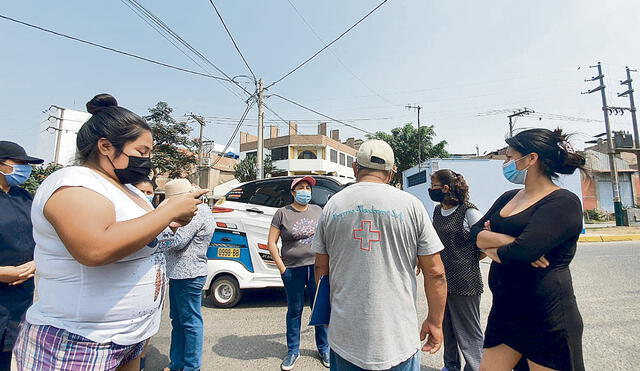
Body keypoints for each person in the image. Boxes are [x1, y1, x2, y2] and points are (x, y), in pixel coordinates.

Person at [12, 103, 207, 371]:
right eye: (141, 151)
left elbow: (142, 236)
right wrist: (168, 211)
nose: (147, 160)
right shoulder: (75, 182)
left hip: (129, 337)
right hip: (80, 340)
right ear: (105, 146)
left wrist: (171, 223)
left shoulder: (132, 191)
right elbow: (95, 249)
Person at [313, 139, 448, 371]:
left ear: (356, 168)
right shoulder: (411, 205)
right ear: (391, 172)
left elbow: (321, 270)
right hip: (399, 338)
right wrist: (435, 322)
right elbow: (435, 272)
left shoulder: (333, 206)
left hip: (346, 336)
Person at [470, 128, 585, 371]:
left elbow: (521, 254)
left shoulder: (562, 202)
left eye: (511, 157)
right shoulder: (508, 197)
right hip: (506, 312)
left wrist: (490, 242)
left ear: (532, 159)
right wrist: (507, 240)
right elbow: (473, 235)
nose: (507, 163)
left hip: (546, 315)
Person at [267, 176, 329, 370]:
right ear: (293, 192)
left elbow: (327, 238)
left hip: (316, 267)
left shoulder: (318, 211)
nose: (305, 191)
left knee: (319, 308)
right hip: (292, 269)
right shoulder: (282, 213)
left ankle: (324, 348)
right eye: (301, 188)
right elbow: (271, 243)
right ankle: (293, 351)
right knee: (294, 311)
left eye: (308, 188)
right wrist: (282, 268)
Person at [428, 169, 484, 371]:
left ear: (445, 188)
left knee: (469, 331)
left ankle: (476, 367)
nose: (430, 189)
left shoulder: (468, 211)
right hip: (442, 279)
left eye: (433, 185)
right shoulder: (437, 210)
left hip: (465, 280)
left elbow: (484, 244)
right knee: (447, 327)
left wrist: (467, 260)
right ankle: (450, 366)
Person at [163, 179, 215, 371]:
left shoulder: (197, 212)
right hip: (179, 273)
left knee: (190, 323)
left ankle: (191, 367)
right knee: (178, 321)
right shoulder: (197, 210)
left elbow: (178, 241)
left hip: (189, 273)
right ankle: (177, 363)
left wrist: (162, 226)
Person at [0, 141, 43, 371]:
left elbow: (42, 237)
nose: (25, 169)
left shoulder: (25, 197)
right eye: (19, 164)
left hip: (20, 297)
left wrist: (36, 263)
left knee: (10, 355)